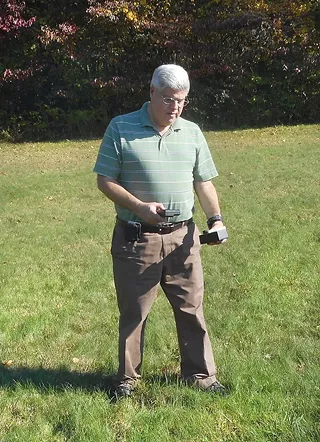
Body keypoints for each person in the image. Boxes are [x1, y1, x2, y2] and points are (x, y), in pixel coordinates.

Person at [93, 64, 228, 398]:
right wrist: (139, 207)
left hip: (184, 238)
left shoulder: (192, 132)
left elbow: (203, 181)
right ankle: (128, 380)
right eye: (168, 99)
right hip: (137, 238)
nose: (175, 107)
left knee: (191, 308)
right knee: (134, 312)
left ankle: (201, 376)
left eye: (181, 101)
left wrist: (216, 220)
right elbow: (104, 180)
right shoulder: (121, 128)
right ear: (151, 92)